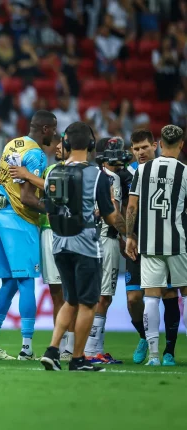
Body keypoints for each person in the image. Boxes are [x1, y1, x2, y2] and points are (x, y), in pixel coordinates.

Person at [40, 121, 126, 372]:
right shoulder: (98, 175)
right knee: (88, 302)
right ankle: (77, 358)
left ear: (65, 144)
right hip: (86, 246)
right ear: (91, 145)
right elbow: (111, 215)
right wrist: (129, 235)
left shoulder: (52, 173)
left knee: (71, 299)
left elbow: (49, 210)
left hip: (59, 245)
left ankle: (52, 350)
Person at [0, 110, 56, 360]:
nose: (54, 134)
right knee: (26, 282)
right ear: (44, 129)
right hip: (19, 220)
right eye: (53, 129)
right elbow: (27, 197)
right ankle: (27, 347)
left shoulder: (13, 143)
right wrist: (54, 208)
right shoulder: (37, 155)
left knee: (10, 283)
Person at [125, 125, 187, 367]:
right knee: (183, 293)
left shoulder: (142, 170)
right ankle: (169, 353)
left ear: (159, 143)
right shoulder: (184, 172)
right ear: (181, 144)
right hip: (177, 243)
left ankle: (153, 356)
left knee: (151, 297)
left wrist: (130, 236)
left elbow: (131, 208)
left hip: (149, 244)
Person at [9, 133, 73, 360]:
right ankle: (62, 346)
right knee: (56, 292)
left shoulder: (80, 170)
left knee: (72, 292)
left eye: (62, 142)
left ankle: (75, 345)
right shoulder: (48, 170)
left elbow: (59, 189)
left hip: (71, 231)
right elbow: (36, 192)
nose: (56, 146)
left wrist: (27, 174)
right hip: (48, 230)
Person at [83, 137, 127, 364]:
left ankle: (91, 348)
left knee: (94, 296)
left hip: (88, 241)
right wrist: (127, 236)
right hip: (106, 241)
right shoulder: (112, 179)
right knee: (104, 297)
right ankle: (92, 350)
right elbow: (114, 213)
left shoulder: (90, 175)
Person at [123, 130, 158, 364]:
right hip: (135, 242)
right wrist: (128, 236)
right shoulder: (127, 174)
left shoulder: (169, 170)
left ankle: (166, 351)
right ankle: (144, 337)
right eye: (136, 149)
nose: (140, 152)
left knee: (165, 296)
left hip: (162, 242)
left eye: (144, 147)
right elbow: (126, 206)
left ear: (154, 146)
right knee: (134, 299)